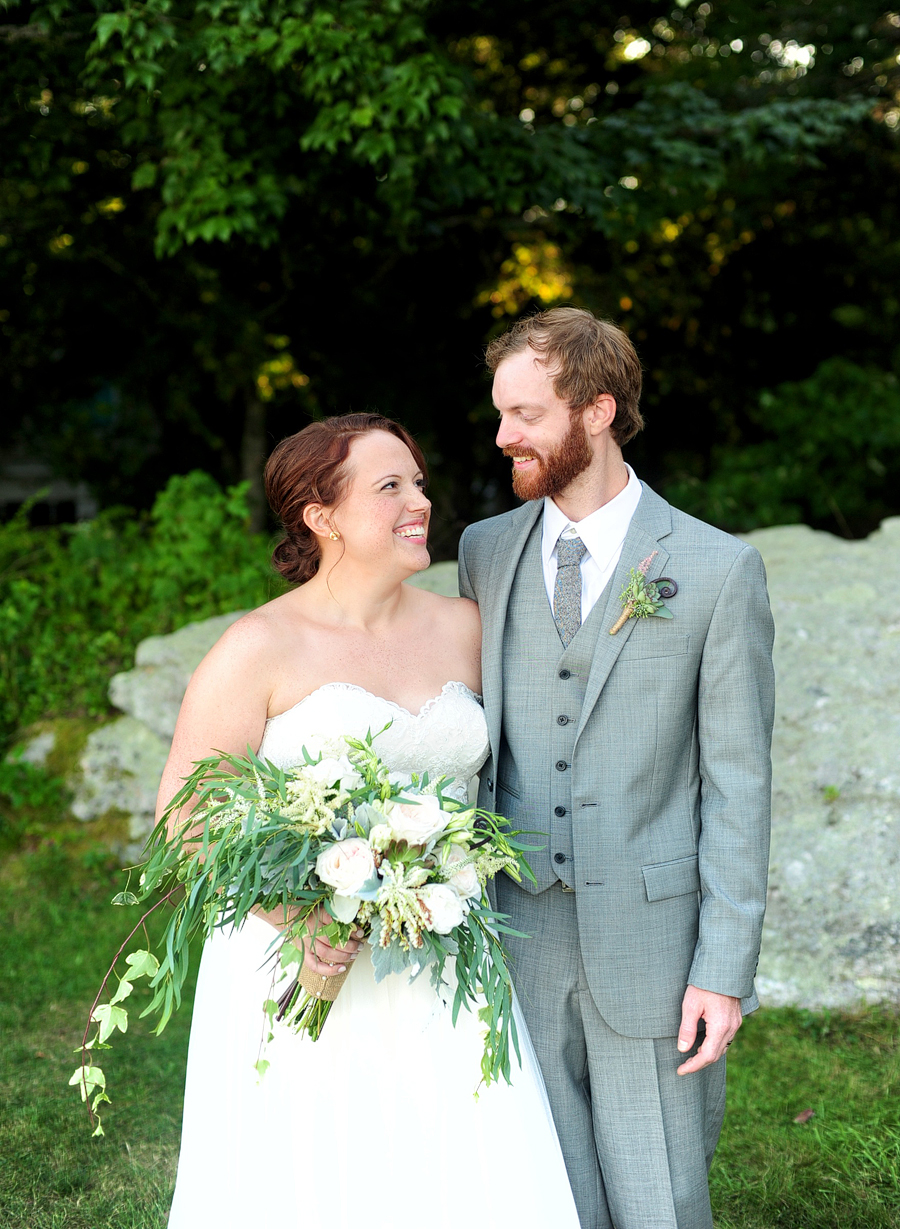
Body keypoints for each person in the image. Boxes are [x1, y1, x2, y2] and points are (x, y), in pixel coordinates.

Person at [159, 412, 580, 1229]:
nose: (418, 501)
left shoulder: (467, 631)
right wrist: (302, 913)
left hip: (441, 955)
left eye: (418, 482)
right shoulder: (259, 646)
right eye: (390, 486)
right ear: (321, 517)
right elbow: (185, 813)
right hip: (299, 960)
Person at [458, 308, 775, 1229]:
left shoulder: (718, 569)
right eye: (501, 412)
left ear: (597, 411)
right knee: (544, 1188)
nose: (503, 434)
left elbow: (739, 785)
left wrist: (724, 967)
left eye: (525, 414)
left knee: (660, 1191)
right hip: (518, 929)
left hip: (654, 940)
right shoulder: (484, 552)